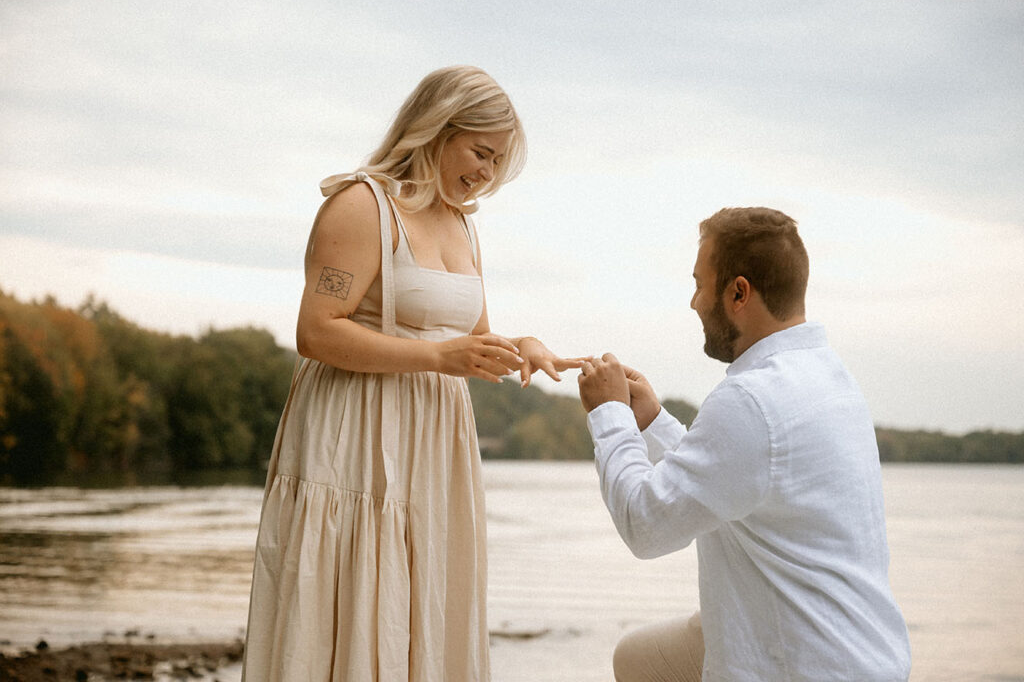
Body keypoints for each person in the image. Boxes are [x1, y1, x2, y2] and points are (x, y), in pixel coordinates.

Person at [242, 65, 582, 681]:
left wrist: (521, 345)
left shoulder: (462, 225)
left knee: (419, 598)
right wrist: (435, 358)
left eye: (498, 163)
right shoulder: (360, 206)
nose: (486, 173)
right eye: (481, 153)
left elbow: (471, 341)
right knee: (349, 594)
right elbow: (317, 330)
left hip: (434, 447)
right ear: (437, 128)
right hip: (356, 440)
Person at [577, 207, 911, 681]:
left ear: (738, 292)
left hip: (801, 665)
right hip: (865, 655)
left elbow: (645, 525)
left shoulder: (750, 399)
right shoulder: (828, 377)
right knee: (637, 658)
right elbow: (732, 476)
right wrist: (649, 421)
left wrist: (608, 415)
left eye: (699, 283)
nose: (693, 301)